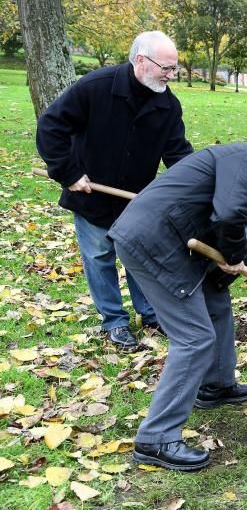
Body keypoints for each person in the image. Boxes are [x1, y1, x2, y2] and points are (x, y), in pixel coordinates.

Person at [109, 132, 247, 471]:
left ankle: (216, 385)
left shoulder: (245, 168)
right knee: (194, 339)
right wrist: (230, 256)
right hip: (155, 244)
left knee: (217, 300)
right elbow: (229, 218)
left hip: (170, 239)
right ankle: (155, 438)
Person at [36, 30, 193, 351]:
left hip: (138, 200)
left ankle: (150, 314)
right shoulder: (96, 87)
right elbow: (51, 125)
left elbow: (177, 153)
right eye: (166, 67)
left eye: (173, 68)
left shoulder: (167, 104)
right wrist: (68, 172)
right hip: (91, 193)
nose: (170, 75)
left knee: (139, 257)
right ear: (140, 61)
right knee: (99, 257)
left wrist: (196, 186)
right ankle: (115, 321)